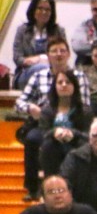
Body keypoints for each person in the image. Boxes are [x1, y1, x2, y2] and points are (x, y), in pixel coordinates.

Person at [15, 36, 90, 201]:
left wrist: (72, 132)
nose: (58, 54)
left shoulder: (79, 76)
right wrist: (30, 108)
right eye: (54, 51)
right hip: (44, 122)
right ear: (48, 55)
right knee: (34, 139)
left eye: (62, 50)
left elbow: (84, 106)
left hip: (74, 122)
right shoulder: (38, 76)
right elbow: (20, 101)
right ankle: (33, 187)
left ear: (69, 54)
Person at [38, 69, 93, 177]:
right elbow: (43, 132)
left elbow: (88, 135)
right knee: (48, 145)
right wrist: (54, 132)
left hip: (76, 146)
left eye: (68, 82)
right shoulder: (47, 110)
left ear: (74, 86)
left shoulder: (85, 110)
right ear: (55, 87)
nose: (64, 85)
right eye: (60, 82)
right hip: (53, 148)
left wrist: (73, 134)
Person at [12, 0, 66, 89]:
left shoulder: (58, 31)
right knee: (42, 68)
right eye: (40, 8)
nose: (44, 12)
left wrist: (45, 60)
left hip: (52, 71)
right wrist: (35, 60)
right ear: (33, 10)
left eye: (48, 9)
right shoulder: (22, 30)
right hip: (25, 72)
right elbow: (17, 58)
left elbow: (63, 55)